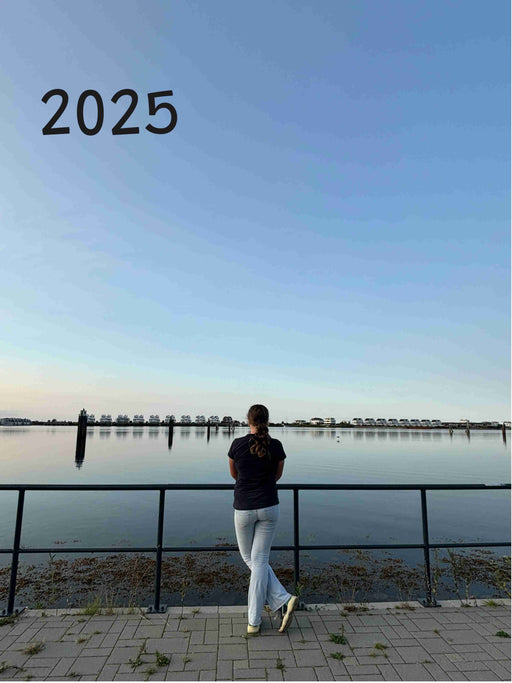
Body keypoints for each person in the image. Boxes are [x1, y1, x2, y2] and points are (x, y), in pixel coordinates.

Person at [228, 404, 298, 636]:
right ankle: (281, 600)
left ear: (248, 421)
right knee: (259, 561)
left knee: (251, 559)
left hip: (244, 508)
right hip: (269, 507)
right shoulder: (276, 446)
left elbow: (234, 474)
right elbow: (277, 476)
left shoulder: (237, 445)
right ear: (267, 421)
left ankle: (256, 620)